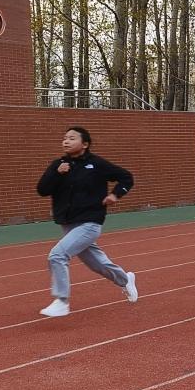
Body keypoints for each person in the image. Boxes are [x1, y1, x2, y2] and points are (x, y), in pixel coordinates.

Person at [36, 126, 138, 317]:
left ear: (84, 144)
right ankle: (125, 279)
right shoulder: (59, 165)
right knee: (97, 264)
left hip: (90, 222)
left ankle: (62, 301)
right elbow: (42, 190)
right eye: (65, 138)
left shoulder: (96, 164)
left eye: (72, 138)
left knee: (57, 255)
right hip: (68, 223)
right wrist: (57, 173)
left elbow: (126, 177)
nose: (66, 141)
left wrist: (115, 195)